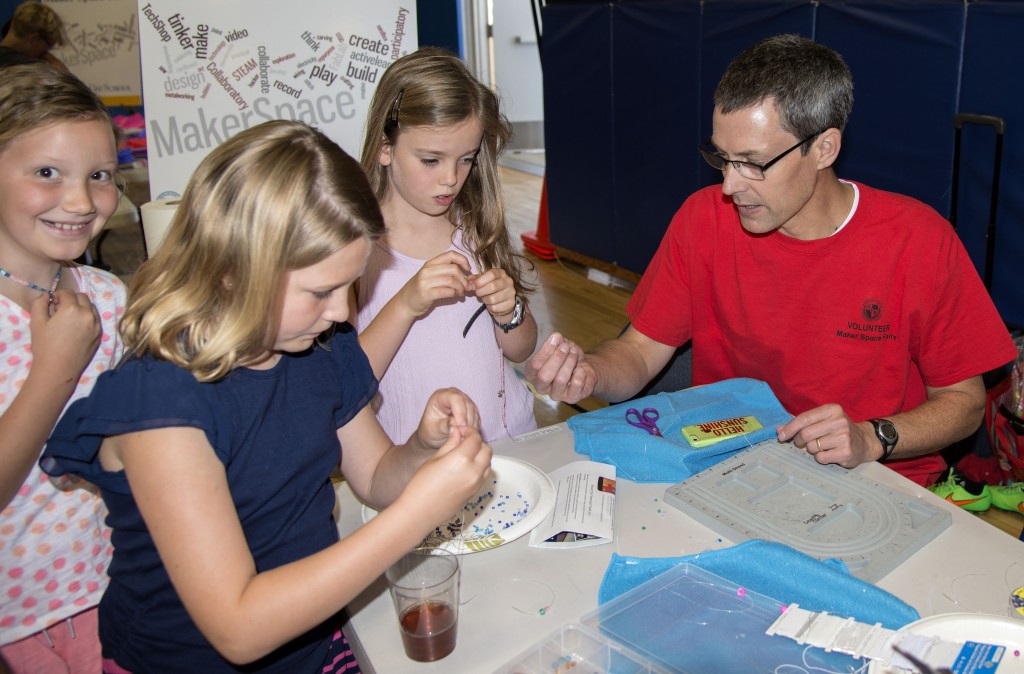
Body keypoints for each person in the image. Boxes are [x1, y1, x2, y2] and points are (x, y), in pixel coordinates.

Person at [39, 120, 493, 673]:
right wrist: (420, 514)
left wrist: (423, 448)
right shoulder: (160, 401)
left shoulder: (318, 346)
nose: (342, 313)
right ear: (234, 270)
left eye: (349, 288)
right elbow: (238, 627)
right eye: (321, 291)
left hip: (312, 640)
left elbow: (375, 479)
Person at [525, 34, 1018, 487]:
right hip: (731, 465)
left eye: (754, 163)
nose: (729, 185)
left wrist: (871, 437)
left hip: (878, 479)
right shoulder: (703, 220)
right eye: (721, 158)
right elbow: (636, 354)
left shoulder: (918, 240)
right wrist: (589, 371)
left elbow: (964, 404)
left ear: (824, 148)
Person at [0, 63, 125, 673]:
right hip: (21, 623)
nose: (80, 201)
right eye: (47, 173)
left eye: (99, 176)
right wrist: (56, 368)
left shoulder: (110, 298)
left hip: (120, 591)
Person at [355, 47, 539, 443]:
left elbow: (521, 349)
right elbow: (343, 387)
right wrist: (405, 304)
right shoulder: (356, 252)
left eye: (466, 159)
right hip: (416, 468)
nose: (452, 180)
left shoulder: (475, 228)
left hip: (512, 446)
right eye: (431, 160)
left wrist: (510, 311)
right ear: (385, 148)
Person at [0, 3, 67, 69]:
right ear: (34, 39)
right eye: (48, 46)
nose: (46, 52)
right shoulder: (28, 68)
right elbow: (67, 79)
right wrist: (58, 67)